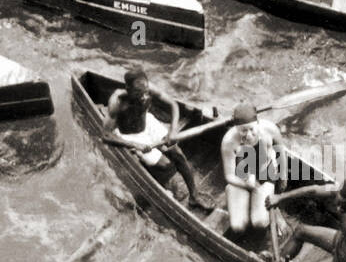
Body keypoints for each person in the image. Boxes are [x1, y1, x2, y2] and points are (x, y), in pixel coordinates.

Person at [102, 69, 210, 209]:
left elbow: (173, 105)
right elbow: (105, 135)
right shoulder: (117, 102)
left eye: (145, 91)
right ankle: (154, 183)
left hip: (148, 123)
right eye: (137, 93)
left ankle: (194, 197)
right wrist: (133, 144)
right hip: (130, 135)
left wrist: (173, 129)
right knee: (165, 166)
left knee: (178, 154)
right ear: (127, 89)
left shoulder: (148, 89)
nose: (143, 96)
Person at [220, 103, 286, 237]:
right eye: (243, 131)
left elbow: (281, 151)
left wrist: (283, 175)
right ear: (236, 128)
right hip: (242, 178)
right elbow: (229, 175)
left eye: (251, 129)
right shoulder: (228, 142)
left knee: (260, 223)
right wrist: (247, 184)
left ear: (258, 122)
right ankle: (232, 193)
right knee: (238, 227)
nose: (248, 135)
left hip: (264, 174)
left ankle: (274, 209)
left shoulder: (270, 129)